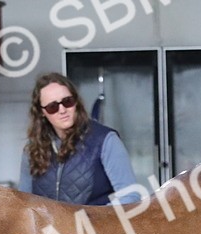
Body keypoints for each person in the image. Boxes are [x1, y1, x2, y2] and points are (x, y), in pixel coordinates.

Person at [19, 73, 142, 205]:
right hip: (49, 226)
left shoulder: (105, 140)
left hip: (94, 225)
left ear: (76, 102)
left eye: (67, 101)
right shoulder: (32, 149)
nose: (62, 110)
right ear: (41, 112)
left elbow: (130, 196)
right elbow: (24, 203)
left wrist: (91, 221)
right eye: (52, 107)